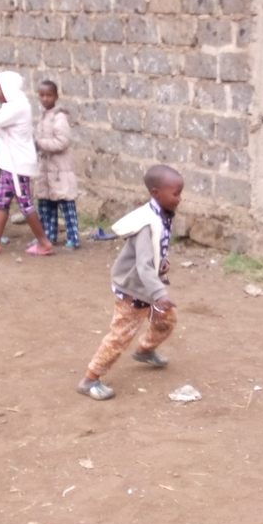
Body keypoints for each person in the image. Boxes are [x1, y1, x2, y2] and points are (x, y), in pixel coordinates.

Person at [77, 165, 184, 401]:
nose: (179, 198)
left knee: (166, 320)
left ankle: (145, 350)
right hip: (134, 292)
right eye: (176, 193)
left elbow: (152, 255)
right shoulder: (146, 224)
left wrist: (161, 265)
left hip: (148, 288)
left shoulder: (161, 215)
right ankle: (89, 379)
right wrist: (160, 294)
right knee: (120, 337)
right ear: (156, 193)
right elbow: (143, 265)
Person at [0, 71, 55, 255]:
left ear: (8, 89)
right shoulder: (15, 105)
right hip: (11, 165)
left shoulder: (17, 107)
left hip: (17, 166)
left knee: (25, 204)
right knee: (2, 201)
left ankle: (44, 242)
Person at [34, 80, 81, 249]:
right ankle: (49, 235)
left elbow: (62, 142)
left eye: (49, 95)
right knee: (46, 204)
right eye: (42, 95)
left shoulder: (59, 118)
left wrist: (40, 144)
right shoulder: (42, 117)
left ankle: (73, 238)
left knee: (66, 204)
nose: (45, 99)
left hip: (60, 170)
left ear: (56, 96)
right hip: (46, 170)